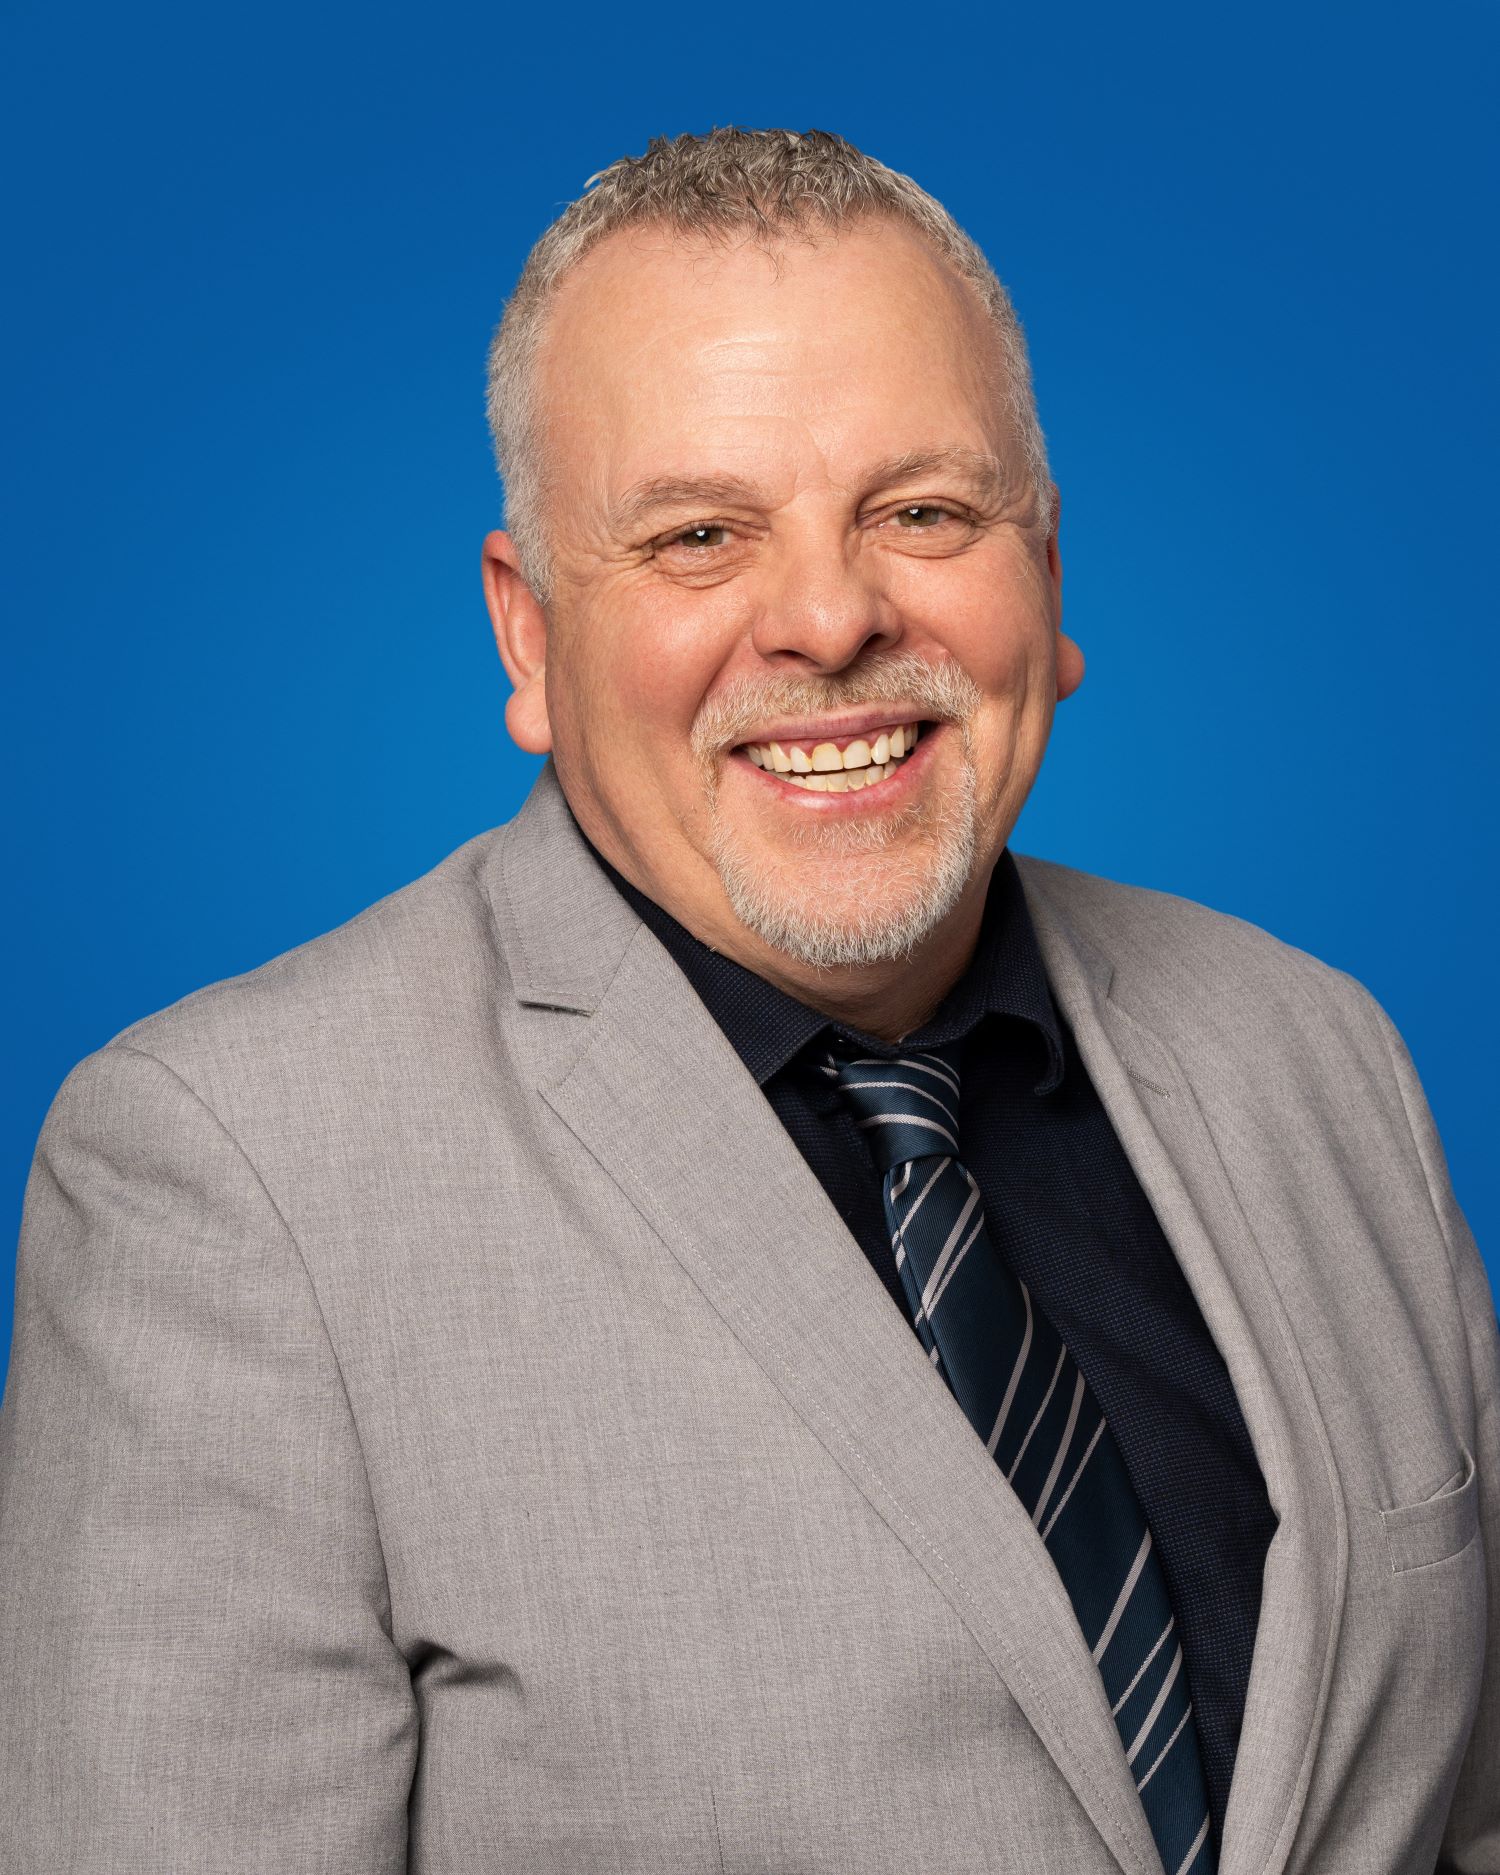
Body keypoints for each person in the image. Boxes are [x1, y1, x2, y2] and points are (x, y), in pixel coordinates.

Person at [1, 127, 1493, 1875]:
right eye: (700, 536)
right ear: (529, 638)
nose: (831, 616)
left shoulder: (1316, 1055)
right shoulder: (231, 1179)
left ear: (1051, 577)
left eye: (924, 513)